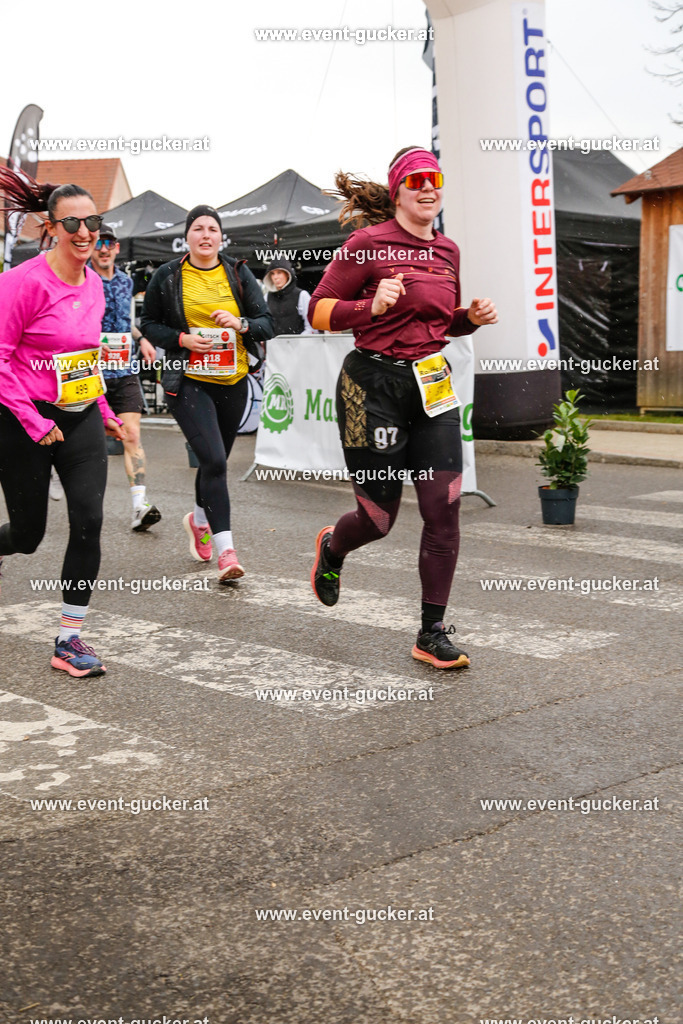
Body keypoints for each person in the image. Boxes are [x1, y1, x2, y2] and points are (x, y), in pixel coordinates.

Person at [308, 147, 498, 669]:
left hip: (432, 385)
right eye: (416, 180)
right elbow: (317, 311)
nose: (428, 187)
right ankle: (333, 549)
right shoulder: (367, 244)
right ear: (398, 192)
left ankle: (431, 632)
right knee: (378, 517)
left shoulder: (448, 250)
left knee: (444, 508)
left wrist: (470, 318)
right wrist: (369, 306)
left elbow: (439, 324)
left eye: (435, 177)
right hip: (372, 387)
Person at [0, 168, 125, 677]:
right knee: (29, 535)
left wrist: (104, 410)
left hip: (78, 419)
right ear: (49, 228)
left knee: (89, 522)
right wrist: (32, 420)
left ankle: (69, 639)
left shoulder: (94, 284)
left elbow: (84, 357)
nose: (83, 232)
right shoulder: (20, 284)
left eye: (91, 221)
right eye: (70, 223)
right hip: (22, 418)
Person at [141, 205, 274, 581]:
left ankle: (198, 521)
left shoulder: (238, 272)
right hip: (187, 381)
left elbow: (267, 324)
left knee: (215, 462)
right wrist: (183, 339)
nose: (205, 235)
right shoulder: (168, 275)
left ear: (220, 237)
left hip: (233, 381)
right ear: (187, 236)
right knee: (214, 460)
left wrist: (241, 323)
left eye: (212, 229)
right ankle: (227, 552)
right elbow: (148, 323)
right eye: (197, 228)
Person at [90, 224, 161, 531]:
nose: (103, 249)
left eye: (109, 244)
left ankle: (138, 506)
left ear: (117, 248)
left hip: (124, 369)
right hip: (91, 371)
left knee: (131, 434)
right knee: (90, 438)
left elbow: (125, 322)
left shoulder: (125, 280)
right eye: (98, 244)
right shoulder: (83, 280)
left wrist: (142, 338)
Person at [263, 256, 317, 335]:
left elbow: (311, 328)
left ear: (287, 274)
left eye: (279, 272)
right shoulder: (266, 297)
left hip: (299, 345)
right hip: (274, 345)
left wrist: (296, 343)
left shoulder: (302, 295)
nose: (275, 277)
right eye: (272, 274)